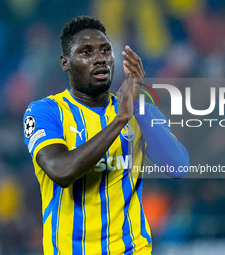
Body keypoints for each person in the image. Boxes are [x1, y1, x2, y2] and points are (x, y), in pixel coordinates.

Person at [23, 15, 189, 255]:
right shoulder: (45, 112)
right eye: (86, 52)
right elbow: (61, 171)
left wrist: (138, 108)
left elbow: (179, 167)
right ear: (65, 62)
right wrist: (119, 120)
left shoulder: (140, 110)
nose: (99, 58)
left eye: (105, 50)